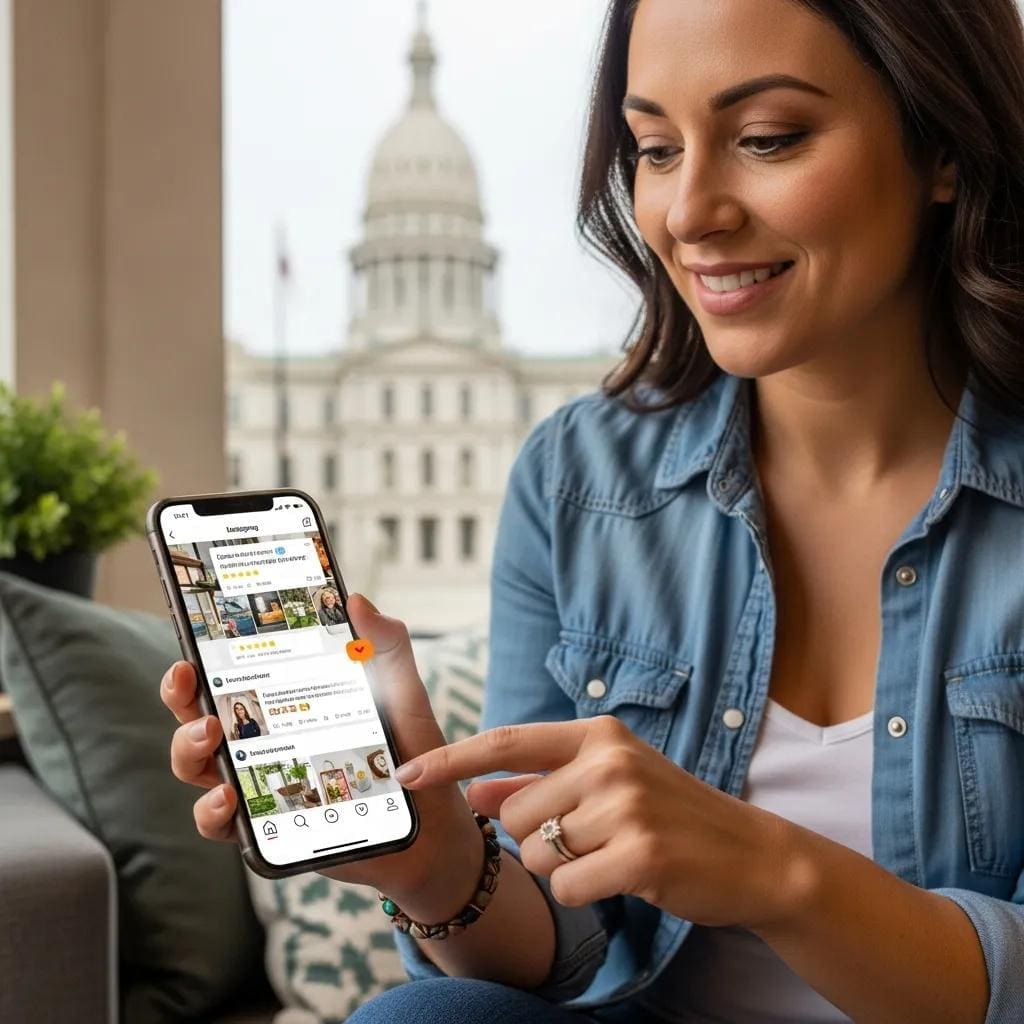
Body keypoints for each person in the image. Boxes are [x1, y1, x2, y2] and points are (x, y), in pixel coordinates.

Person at [160, 1, 1024, 1021]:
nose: (689, 210)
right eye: (655, 148)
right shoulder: (576, 476)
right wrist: (435, 861)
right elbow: (566, 953)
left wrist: (775, 872)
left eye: (766, 138)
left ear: (945, 147)